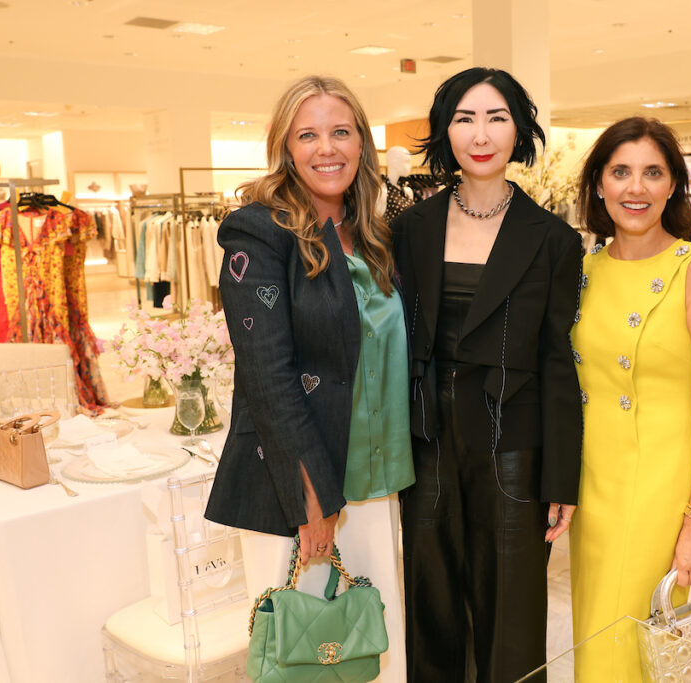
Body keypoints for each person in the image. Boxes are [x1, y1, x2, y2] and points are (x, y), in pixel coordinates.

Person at [204, 75, 413, 681]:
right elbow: (268, 373)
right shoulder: (260, 232)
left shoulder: (373, 233)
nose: (328, 148)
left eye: (341, 132)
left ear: (362, 144)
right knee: (301, 652)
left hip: (375, 477)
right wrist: (312, 497)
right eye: (309, 134)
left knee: (370, 643)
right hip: (301, 481)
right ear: (286, 147)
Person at [391, 67, 583, 682]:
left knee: (511, 602)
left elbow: (559, 360)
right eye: (465, 118)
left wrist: (562, 477)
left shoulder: (552, 238)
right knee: (432, 594)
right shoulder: (409, 228)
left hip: (512, 443)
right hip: (427, 441)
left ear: (519, 130)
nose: (481, 134)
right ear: (445, 131)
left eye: (497, 117)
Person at [568, 117, 691, 681]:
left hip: (660, 494)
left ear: (673, 186)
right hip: (593, 490)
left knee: (635, 644)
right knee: (599, 636)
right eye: (620, 172)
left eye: (652, 173)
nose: (634, 188)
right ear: (598, 184)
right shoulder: (583, 271)